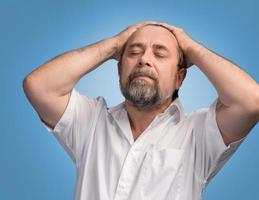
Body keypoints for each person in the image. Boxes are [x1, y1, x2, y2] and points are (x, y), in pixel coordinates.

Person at [23, 21, 259, 200]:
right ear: (119, 71)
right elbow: (40, 86)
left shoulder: (198, 134)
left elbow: (251, 102)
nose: (144, 59)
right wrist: (113, 44)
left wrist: (190, 47)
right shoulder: (91, 122)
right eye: (134, 52)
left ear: (180, 77)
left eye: (160, 53)